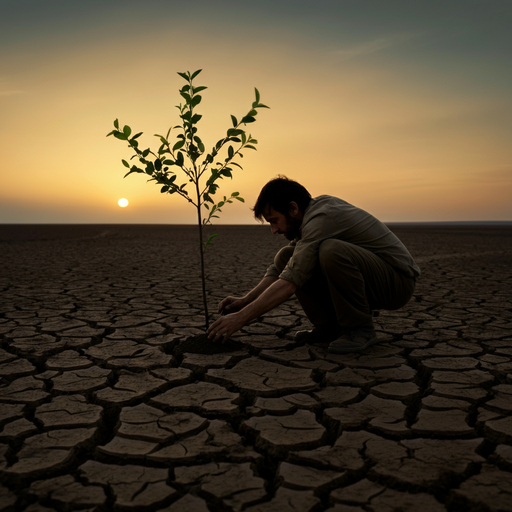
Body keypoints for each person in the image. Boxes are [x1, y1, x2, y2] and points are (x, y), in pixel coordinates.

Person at [207, 176, 420, 353]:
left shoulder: (322, 218)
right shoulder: (309, 218)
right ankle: (328, 327)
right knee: (286, 255)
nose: (273, 230)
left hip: (397, 283)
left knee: (332, 251)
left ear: (292, 208)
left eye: (274, 220)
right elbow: (282, 269)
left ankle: (359, 330)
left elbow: (291, 281)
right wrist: (244, 301)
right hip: (374, 279)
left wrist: (241, 319)